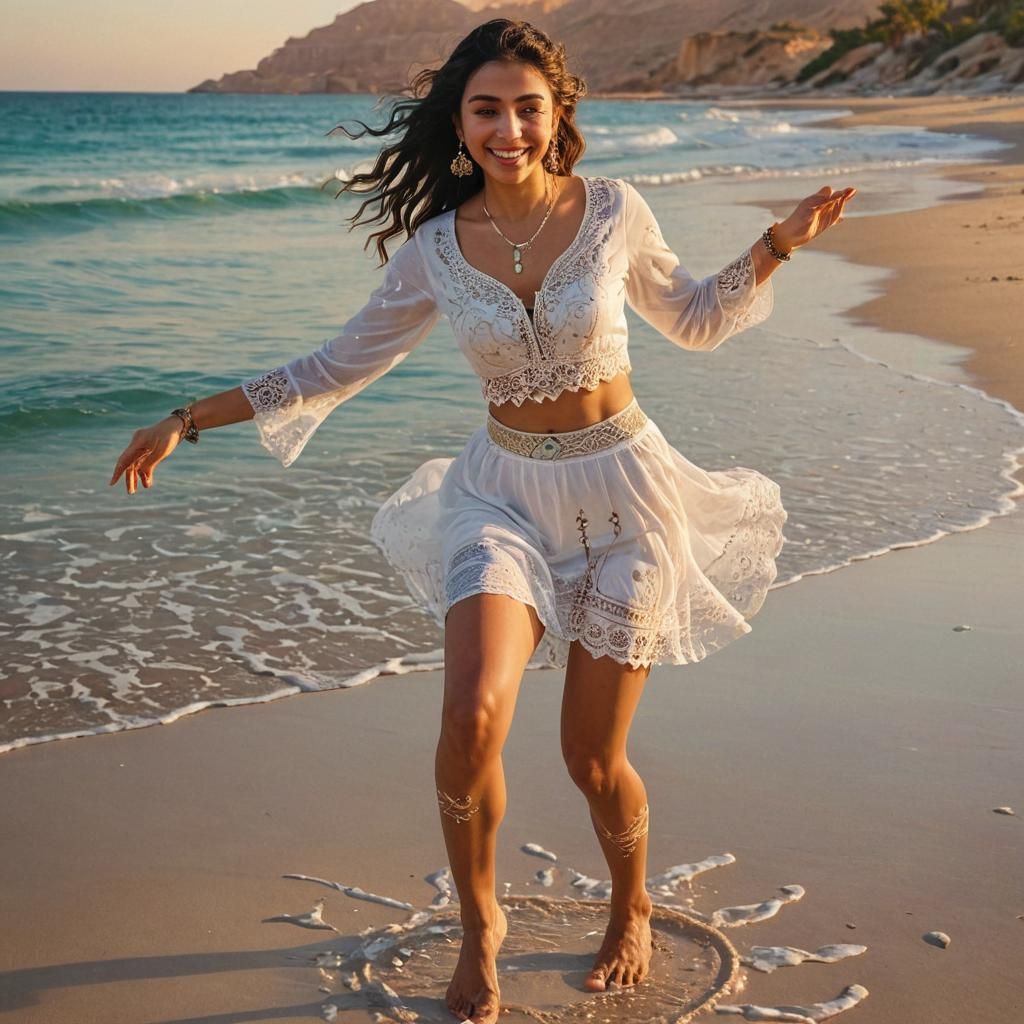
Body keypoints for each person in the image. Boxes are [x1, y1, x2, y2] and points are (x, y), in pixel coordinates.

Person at [110, 18, 855, 1024]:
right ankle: (479, 925)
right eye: (487, 109)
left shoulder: (612, 209)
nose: (508, 127)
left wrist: (775, 245)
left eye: (526, 108)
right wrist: (185, 417)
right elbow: (331, 367)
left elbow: (693, 317)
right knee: (468, 720)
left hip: (625, 500)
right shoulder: (434, 250)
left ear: (557, 117)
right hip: (499, 497)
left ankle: (630, 904)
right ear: (458, 124)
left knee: (591, 761)